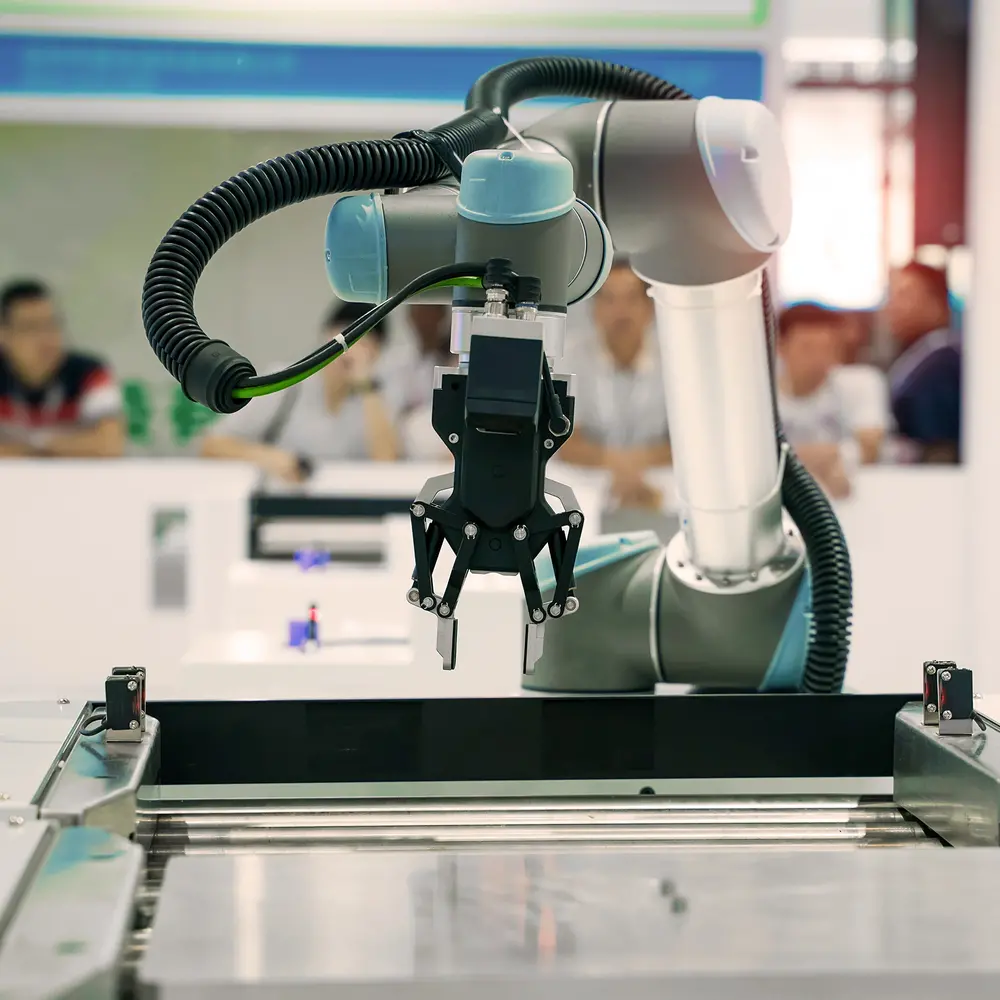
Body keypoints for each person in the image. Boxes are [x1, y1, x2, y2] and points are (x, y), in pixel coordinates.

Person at [200, 301, 398, 480]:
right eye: (348, 340)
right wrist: (268, 458)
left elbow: (386, 466)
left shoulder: (377, 399)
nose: (352, 352)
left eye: (365, 344)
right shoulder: (286, 383)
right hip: (282, 509)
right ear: (326, 336)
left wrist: (366, 385)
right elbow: (213, 445)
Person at [560, 258, 671, 508]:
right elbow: (565, 443)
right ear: (595, 309)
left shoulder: (674, 360)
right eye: (609, 299)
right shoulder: (571, 358)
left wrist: (633, 469)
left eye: (631, 299)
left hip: (659, 480)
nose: (621, 311)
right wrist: (621, 467)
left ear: (650, 308)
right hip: (590, 480)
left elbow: (686, 444)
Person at [0, 279, 124, 458]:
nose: (46, 339)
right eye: (31, 327)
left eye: (51, 324)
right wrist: (65, 446)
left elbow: (110, 445)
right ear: (4, 334)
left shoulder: (89, 373)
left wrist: (29, 448)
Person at [777, 303, 889, 499]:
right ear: (782, 348)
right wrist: (828, 458)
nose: (818, 358)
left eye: (828, 348)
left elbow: (871, 449)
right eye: (807, 348)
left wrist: (789, 459)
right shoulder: (759, 398)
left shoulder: (861, 382)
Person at [884, 261, 961, 463]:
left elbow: (942, 449)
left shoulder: (942, 361)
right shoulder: (920, 355)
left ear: (936, 303)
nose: (893, 306)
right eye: (891, 296)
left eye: (903, 295)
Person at [381, 303, 455, 460]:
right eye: (419, 313)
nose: (425, 321)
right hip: (406, 461)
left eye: (431, 312)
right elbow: (391, 418)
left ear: (443, 315)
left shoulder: (459, 361)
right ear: (410, 318)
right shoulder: (395, 363)